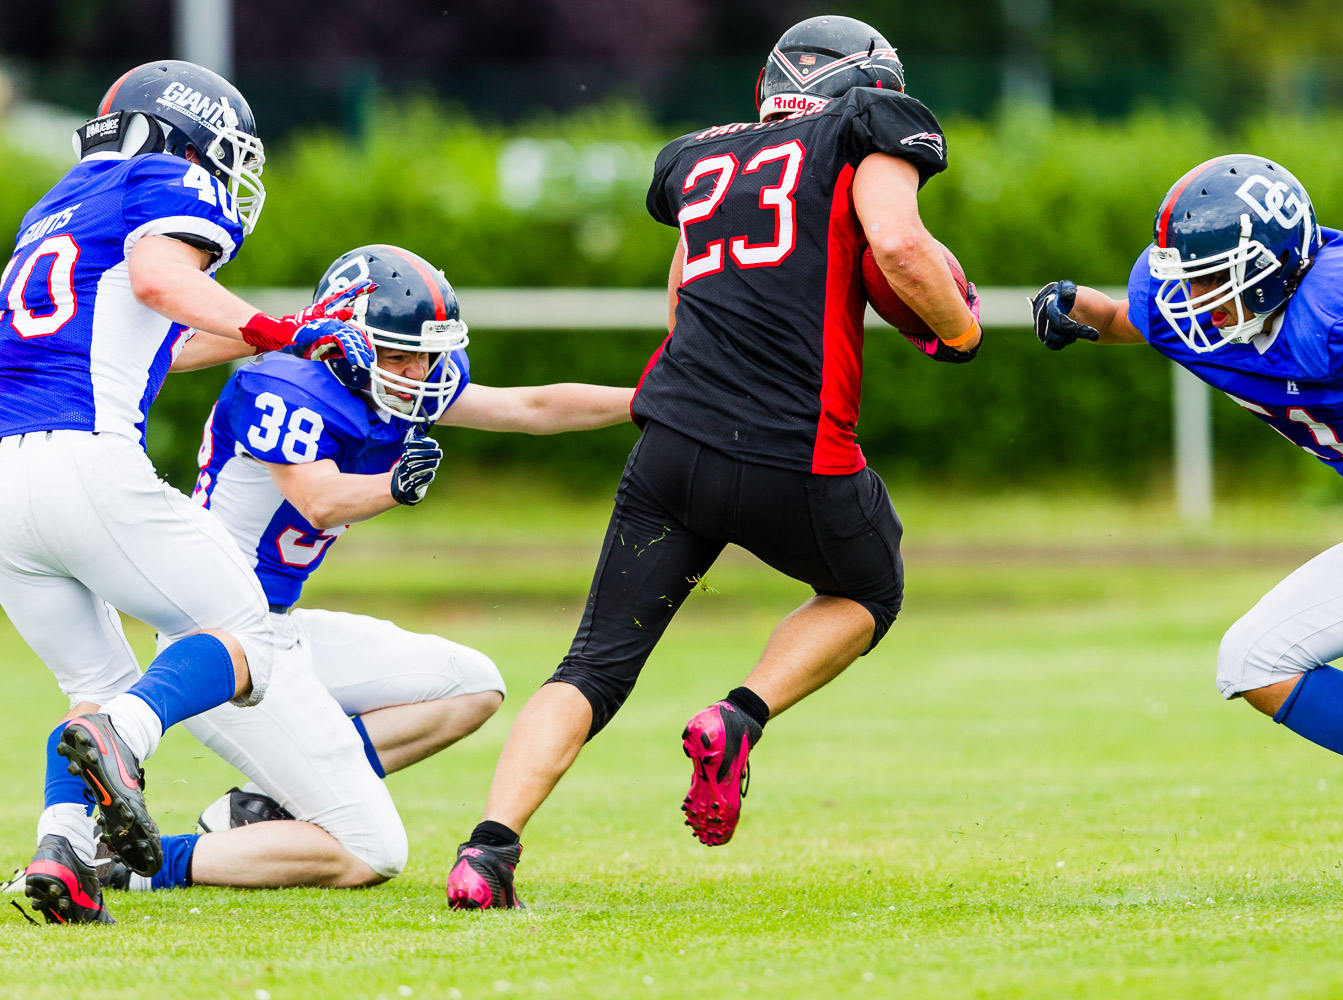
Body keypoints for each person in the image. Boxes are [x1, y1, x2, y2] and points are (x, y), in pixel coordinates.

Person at [446, 14, 982, 911]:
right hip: (794, 452)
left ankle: (487, 852)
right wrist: (960, 331)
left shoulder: (697, 155)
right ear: (872, 86)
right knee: (869, 588)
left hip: (674, 443)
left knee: (592, 665)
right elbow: (895, 243)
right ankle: (739, 715)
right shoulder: (868, 126)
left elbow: (680, 297)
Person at [82, 244, 634, 894]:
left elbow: (530, 408)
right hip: (219, 648)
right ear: (346, 339)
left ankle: (269, 803)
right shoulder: (284, 385)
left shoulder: (394, 384)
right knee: (372, 852)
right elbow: (319, 501)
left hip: (277, 630)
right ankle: (139, 866)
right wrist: (392, 488)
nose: (419, 370)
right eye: (399, 353)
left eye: (426, 353)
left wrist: (653, 401)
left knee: (471, 685)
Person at [1030, 153, 1343, 890]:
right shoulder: (1195, 301)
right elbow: (1146, 322)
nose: (1195, 295)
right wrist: (1085, 309)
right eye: (1189, 276)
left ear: (1274, 265)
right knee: (1253, 658)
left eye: (1214, 278)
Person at [3, 60, 371, 925]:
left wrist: (270, 344)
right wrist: (277, 327)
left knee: (89, 676)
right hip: (82, 461)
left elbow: (152, 339)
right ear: (186, 133)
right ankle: (127, 740)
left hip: (7, 480)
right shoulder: (162, 177)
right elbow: (165, 283)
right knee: (249, 634)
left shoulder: (54, 205)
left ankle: (61, 857)